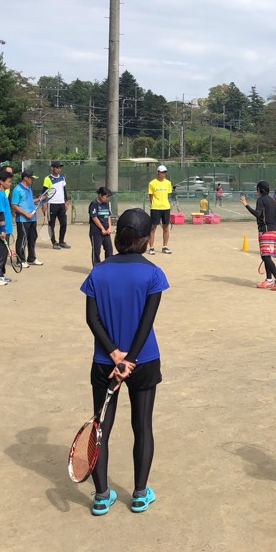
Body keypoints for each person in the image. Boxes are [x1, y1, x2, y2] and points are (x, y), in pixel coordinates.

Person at [80, 208, 168, 516]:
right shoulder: (154, 273)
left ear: (118, 237)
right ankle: (140, 494)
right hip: (143, 361)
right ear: (145, 240)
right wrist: (129, 358)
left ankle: (102, 495)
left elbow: (92, 318)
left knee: (100, 427)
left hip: (105, 362)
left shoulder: (98, 272)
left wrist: (114, 355)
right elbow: (147, 322)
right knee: (142, 426)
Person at [240, 182, 276, 290]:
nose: (256, 191)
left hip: (266, 231)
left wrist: (246, 205)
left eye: (257, 189)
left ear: (260, 190)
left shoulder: (261, 200)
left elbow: (258, 214)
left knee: (265, 256)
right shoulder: (273, 201)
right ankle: (269, 280)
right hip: (274, 231)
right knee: (267, 256)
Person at [10, 169, 42, 269]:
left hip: (32, 218)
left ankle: (31, 258)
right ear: (25, 178)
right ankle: (20, 260)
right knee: (22, 239)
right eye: (31, 178)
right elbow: (14, 205)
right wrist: (26, 214)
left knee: (32, 238)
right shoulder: (17, 189)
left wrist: (38, 199)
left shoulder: (28, 188)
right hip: (23, 219)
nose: (32, 180)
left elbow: (28, 201)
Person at [43, 161, 71, 250]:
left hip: (61, 204)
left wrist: (66, 201)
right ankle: (54, 242)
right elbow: (44, 193)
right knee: (52, 224)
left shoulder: (62, 178)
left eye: (60, 167)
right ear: (52, 168)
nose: (59, 169)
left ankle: (61, 241)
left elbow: (64, 190)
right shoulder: (47, 179)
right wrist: (44, 203)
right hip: (52, 204)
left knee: (64, 223)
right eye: (57, 167)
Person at [147, 165, 173, 255]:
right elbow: (150, 196)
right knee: (153, 228)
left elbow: (168, 195)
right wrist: (154, 204)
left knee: (166, 227)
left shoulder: (168, 183)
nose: (163, 174)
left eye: (165, 172)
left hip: (166, 207)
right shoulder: (152, 183)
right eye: (162, 172)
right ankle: (151, 247)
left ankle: (164, 247)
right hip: (155, 207)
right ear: (157, 172)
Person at [88, 187, 114, 267]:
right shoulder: (94, 204)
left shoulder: (106, 204)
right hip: (96, 231)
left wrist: (109, 227)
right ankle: (96, 267)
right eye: (105, 196)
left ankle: (108, 266)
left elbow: (108, 216)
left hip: (106, 231)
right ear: (100, 195)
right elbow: (94, 217)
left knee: (109, 249)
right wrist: (102, 228)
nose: (107, 198)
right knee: (96, 250)